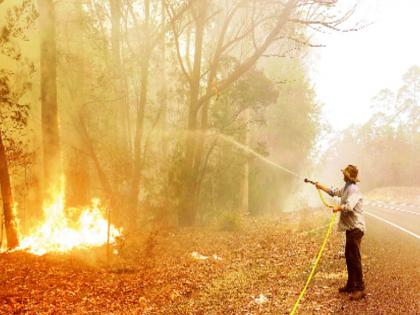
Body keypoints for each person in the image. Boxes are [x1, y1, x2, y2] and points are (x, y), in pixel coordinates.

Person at [316, 165, 366, 300]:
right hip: (350, 228)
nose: (343, 175)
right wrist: (320, 186)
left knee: (354, 257)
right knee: (349, 256)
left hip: (356, 228)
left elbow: (349, 206)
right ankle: (350, 284)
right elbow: (334, 191)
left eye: (344, 174)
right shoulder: (346, 188)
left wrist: (338, 207)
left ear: (348, 176)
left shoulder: (354, 190)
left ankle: (360, 288)